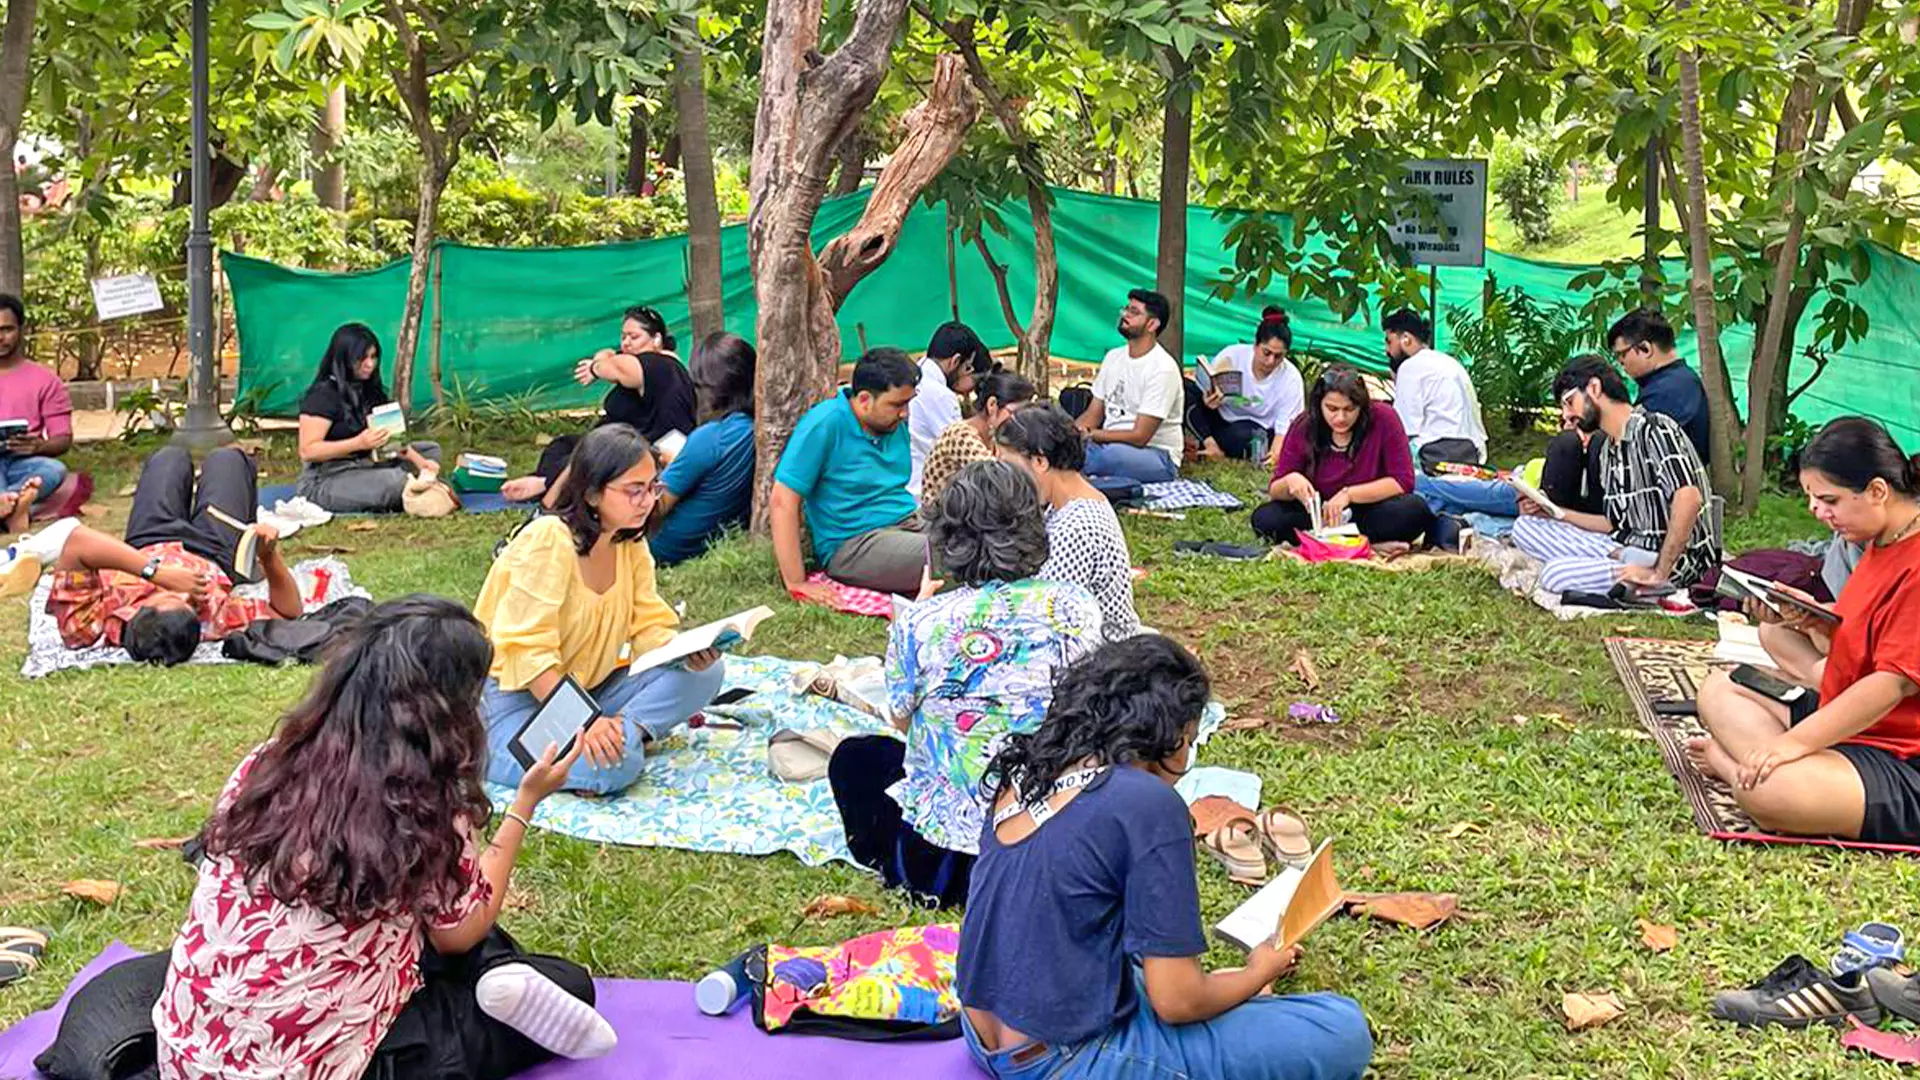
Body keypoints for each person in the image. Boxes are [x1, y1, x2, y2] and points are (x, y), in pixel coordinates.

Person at [154, 596, 616, 1080]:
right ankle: (494, 982)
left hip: (187, 1053)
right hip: (317, 1065)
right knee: (561, 981)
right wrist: (526, 803)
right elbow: (461, 933)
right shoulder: (424, 805)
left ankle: (497, 976)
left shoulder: (265, 763)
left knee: (439, 914)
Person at [957, 635, 1374, 1080]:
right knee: (1340, 1028)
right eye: (1190, 741)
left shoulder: (1026, 775)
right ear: (1169, 737)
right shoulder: (1146, 803)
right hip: (1066, 1059)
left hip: (983, 1035)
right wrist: (1258, 971)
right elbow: (1177, 1003)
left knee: (1163, 978)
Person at [828, 461, 1102, 906]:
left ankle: (890, 860)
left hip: (941, 859)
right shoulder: (1075, 608)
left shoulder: (920, 622)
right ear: (1033, 527)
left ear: (947, 539)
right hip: (1042, 841)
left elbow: (902, 722)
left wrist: (912, 618)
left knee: (855, 758)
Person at [1688, 417, 1920, 844]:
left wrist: (1791, 744)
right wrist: (1818, 621)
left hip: (1904, 756)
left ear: (1877, 491)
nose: (1817, 512)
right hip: (1852, 719)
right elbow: (1867, 638)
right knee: (1721, 688)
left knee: (1774, 789)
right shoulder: (1880, 541)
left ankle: (1732, 765)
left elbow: (1891, 685)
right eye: (1813, 499)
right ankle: (1768, 768)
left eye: (1828, 499)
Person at [476, 424, 724, 796]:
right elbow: (528, 655)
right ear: (592, 493)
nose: (647, 501)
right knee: (617, 766)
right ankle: (602, 744)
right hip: (514, 702)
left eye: (653, 487)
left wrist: (686, 652)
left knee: (707, 674)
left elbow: (649, 627)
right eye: (633, 490)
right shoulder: (548, 541)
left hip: (591, 688)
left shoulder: (629, 543)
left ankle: (619, 735)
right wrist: (585, 721)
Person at [44, 445, 302, 664]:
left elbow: (78, 542)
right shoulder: (213, 620)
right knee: (229, 460)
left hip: (150, 539)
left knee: (169, 458)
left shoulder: (89, 628)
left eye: (167, 595)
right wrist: (269, 557)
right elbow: (289, 612)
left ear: (134, 612)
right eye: (190, 601)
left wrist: (157, 574)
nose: (183, 590)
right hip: (214, 550)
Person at [1510, 355, 1721, 594]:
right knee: (1525, 526)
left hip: (1675, 562)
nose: (1566, 416)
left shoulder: (1654, 427)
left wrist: (1659, 572)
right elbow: (1612, 523)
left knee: (1555, 574)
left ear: (1594, 388)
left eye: (1570, 402)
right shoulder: (1609, 449)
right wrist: (1553, 512)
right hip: (1626, 547)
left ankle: (1641, 578)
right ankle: (1618, 562)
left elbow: (1689, 499)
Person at [501, 306, 698, 506]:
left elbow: (615, 367)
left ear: (656, 339)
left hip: (644, 454)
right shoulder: (658, 365)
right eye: (623, 337)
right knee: (561, 446)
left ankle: (545, 485)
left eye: (634, 336)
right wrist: (604, 358)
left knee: (585, 458)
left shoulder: (655, 364)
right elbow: (611, 358)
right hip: (633, 446)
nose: (627, 343)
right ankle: (546, 482)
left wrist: (596, 367)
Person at [772, 347, 927, 599]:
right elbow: (782, 500)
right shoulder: (825, 424)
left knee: (984, 533)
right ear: (864, 399)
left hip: (907, 522)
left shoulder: (893, 424)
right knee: (951, 554)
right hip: (854, 543)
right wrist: (796, 582)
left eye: (909, 402)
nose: (905, 413)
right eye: (898, 404)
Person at [995, 405, 1144, 643]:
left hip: (1103, 656)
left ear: (1040, 461)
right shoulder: (1069, 502)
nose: (1005, 476)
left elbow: (1046, 620)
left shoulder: (1075, 528)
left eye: (1007, 464)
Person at [1252, 366, 1434, 545]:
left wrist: (1349, 495)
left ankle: (1331, 539)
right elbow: (1276, 489)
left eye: (1349, 409)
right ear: (1319, 404)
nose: (1340, 418)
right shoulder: (1304, 426)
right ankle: (1360, 541)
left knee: (1414, 510)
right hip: (1317, 515)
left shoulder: (1384, 418)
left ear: (1361, 406)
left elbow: (1402, 482)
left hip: (1366, 509)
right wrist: (1291, 481)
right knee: (1265, 518)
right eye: (1331, 409)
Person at [296, 323, 444, 513]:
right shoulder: (322, 395)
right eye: (362, 358)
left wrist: (421, 463)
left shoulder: (369, 389)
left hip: (368, 464)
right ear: (345, 359)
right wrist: (359, 443)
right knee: (395, 481)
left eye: (373, 357)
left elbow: (392, 439)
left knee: (431, 450)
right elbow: (308, 451)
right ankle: (410, 486)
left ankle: (414, 484)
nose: (370, 364)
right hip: (326, 477)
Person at [649, 332, 756, 566]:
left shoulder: (711, 438)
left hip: (667, 546)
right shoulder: (757, 430)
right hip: (714, 538)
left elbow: (655, 506)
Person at [1075, 289, 1185, 485]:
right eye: (1126, 309)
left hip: (1157, 456)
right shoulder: (1113, 357)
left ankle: (1074, 467)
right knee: (1061, 445)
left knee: (1108, 457)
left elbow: (1140, 436)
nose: (1125, 315)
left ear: (1152, 324)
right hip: (1106, 445)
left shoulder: (1162, 368)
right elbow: (1093, 414)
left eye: (1134, 312)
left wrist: (1090, 436)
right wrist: (1070, 435)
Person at [1186, 307, 1306, 462]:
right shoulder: (1232, 355)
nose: (1271, 361)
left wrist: (1275, 454)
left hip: (1254, 429)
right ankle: (1211, 446)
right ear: (1255, 345)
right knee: (1184, 390)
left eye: (1278, 356)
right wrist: (1208, 401)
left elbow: (1284, 427)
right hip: (1221, 417)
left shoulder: (1291, 378)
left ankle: (1211, 445)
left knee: (1243, 437)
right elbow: (1208, 388)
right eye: (1266, 353)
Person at [1382, 307, 1487, 478]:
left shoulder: (1411, 367)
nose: (1387, 350)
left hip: (1435, 456)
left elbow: (1402, 428)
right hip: (1473, 453)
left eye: (1389, 341)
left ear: (1406, 339)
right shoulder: (1449, 362)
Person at [919, 370, 1036, 508]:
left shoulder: (992, 437)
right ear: (992, 405)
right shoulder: (960, 435)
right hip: (941, 521)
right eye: (1016, 413)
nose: (1021, 419)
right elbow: (1000, 480)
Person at [0, 294, 72, 517]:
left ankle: (6, 503)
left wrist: (38, 447)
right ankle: (16, 507)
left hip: (23, 463)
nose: (0, 338)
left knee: (54, 470)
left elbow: (63, 439)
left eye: (7, 329)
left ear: (22, 330)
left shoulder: (46, 381)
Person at [1608, 308, 1710, 463]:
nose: (1621, 362)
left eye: (1622, 354)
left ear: (1645, 349)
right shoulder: (1676, 381)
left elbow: (1636, 446)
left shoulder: (1669, 391)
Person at [908, 321, 994, 497]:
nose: (971, 390)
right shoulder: (940, 395)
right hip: (925, 495)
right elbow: (965, 454)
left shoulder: (917, 375)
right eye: (973, 379)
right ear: (956, 361)